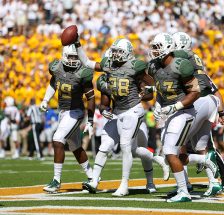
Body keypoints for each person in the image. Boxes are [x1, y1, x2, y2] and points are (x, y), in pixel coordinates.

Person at [75, 40, 169, 196]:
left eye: (119, 51)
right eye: (114, 51)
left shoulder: (134, 66)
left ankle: (127, 184)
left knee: (127, 147)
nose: (115, 54)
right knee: (121, 148)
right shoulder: (108, 70)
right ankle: (94, 180)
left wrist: (146, 91)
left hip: (133, 110)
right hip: (118, 113)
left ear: (126, 53)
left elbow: (152, 86)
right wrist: (77, 44)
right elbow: (86, 62)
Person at [172, 32, 224, 194]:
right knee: (201, 146)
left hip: (196, 102)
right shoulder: (198, 66)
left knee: (177, 143)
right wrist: (220, 111)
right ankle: (213, 182)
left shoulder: (181, 60)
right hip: (209, 101)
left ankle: (184, 185)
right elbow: (216, 92)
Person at [147, 32, 202, 202]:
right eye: (154, 47)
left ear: (168, 48)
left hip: (184, 111)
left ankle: (184, 192)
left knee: (169, 150)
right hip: (170, 111)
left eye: (157, 47)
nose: (154, 51)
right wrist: (158, 104)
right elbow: (162, 90)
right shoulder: (154, 66)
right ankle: (204, 161)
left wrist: (176, 106)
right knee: (170, 152)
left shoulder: (181, 65)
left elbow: (195, 91)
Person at [40, 44, 94, 193]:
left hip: (75, 112)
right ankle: (92, 177)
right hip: (63, 112)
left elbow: (91, 98)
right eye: (71, 56)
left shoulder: (83, 73)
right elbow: (53, 84)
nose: (73, 60)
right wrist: (45, 100)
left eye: (76, 57)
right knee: (75, 146)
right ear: (64, 56)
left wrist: (90, 120)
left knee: (58, 139)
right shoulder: (57, 68)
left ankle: (56, 181)